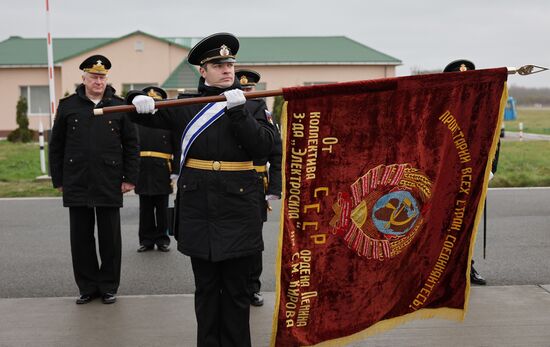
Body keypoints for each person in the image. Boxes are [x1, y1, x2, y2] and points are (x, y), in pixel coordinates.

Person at [129, 33, 275, 346]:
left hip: (239, 208)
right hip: (199, 209)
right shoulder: (186, 104)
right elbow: (140, 113)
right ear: (202, 71)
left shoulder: (252, 106)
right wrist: (136, 98)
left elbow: (263, 147)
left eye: (230, 64)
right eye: (218, 64)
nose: (227, 69)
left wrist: (238, 112)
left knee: (237, 292)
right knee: (207, 290)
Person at [48, 55, 139, 304]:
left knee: (110, 237)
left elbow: (132, 144)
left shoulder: (117, 105)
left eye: (102, 77)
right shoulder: (68, 106)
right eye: (93, 76)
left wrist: (130, 178)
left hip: (109, 179)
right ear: (84, 78)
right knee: (81, 237)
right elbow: (56, 145)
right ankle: (87, 287)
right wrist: (59, 179)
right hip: (76, 179)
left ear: (106, 79)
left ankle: (109, 286)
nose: (98, 81)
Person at [444, 59, 494, 286]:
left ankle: (467, 269)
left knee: (467, 225)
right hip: (444, 177)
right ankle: (439, 272)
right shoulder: (441, 104)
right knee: (442, 225)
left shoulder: (482, 106)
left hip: (472, 177)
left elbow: (493, 141)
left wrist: (490, 170)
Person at [235, 69, 282, 307]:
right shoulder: (224, 105)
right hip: (230, 182)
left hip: (255, 183)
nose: (245, 92)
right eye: (241, 88)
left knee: (253, 240)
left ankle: (252, 287)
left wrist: (275, 187)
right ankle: (233, 287)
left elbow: (275, 152)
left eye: (249, 88)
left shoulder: (261, 111)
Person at [135, 86, 179, 253]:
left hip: (162, 169)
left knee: (161, 207)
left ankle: (162, 239)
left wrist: (176, 170)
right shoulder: (137, 121)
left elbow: (177, 148)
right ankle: (146, 240)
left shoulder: (168, 122)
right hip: (142, 168)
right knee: (145, 208)